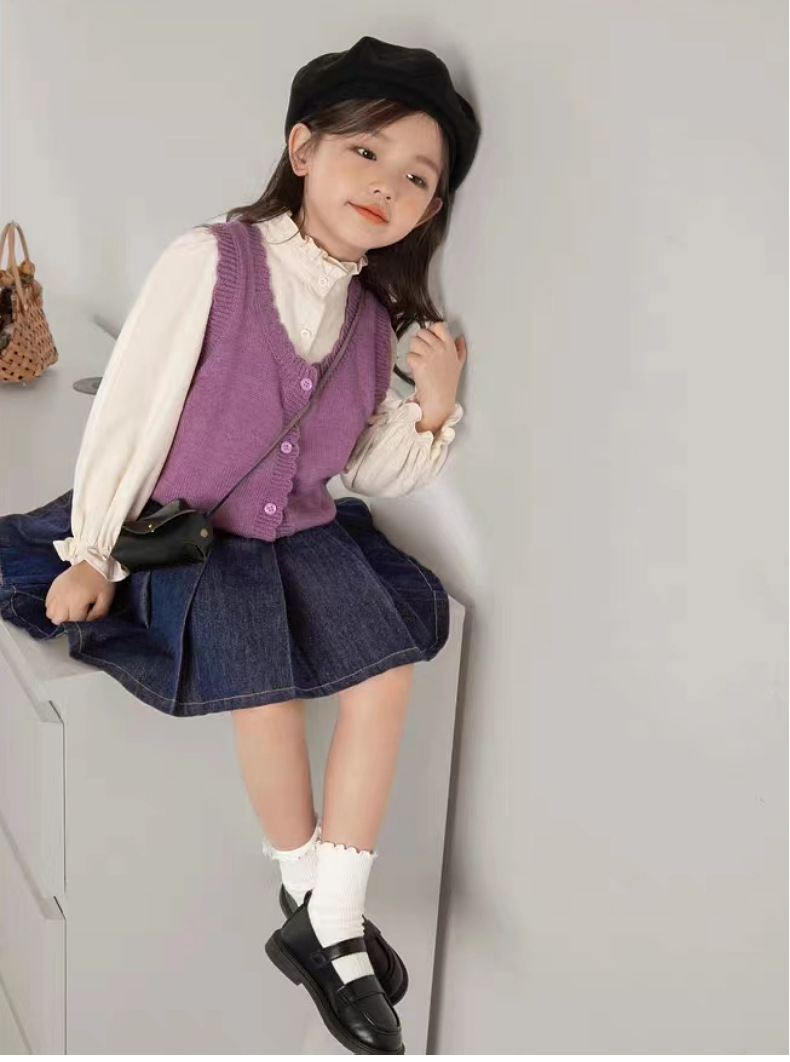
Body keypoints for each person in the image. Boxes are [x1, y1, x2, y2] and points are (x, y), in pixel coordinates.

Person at [0, 35, 480, 1055]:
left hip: (301, 532)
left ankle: (327, 915)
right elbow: (133, 407)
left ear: (429, 210)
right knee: (263, 685)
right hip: (192, 538)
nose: (385, 184)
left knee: (387, 671)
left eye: (416, 177)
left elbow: (364, 466)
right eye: (365, 151)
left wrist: (432, 406)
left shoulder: (371, 317)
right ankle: (326, 917)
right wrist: (94, 551)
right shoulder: (212, 260)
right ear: (303, 150)